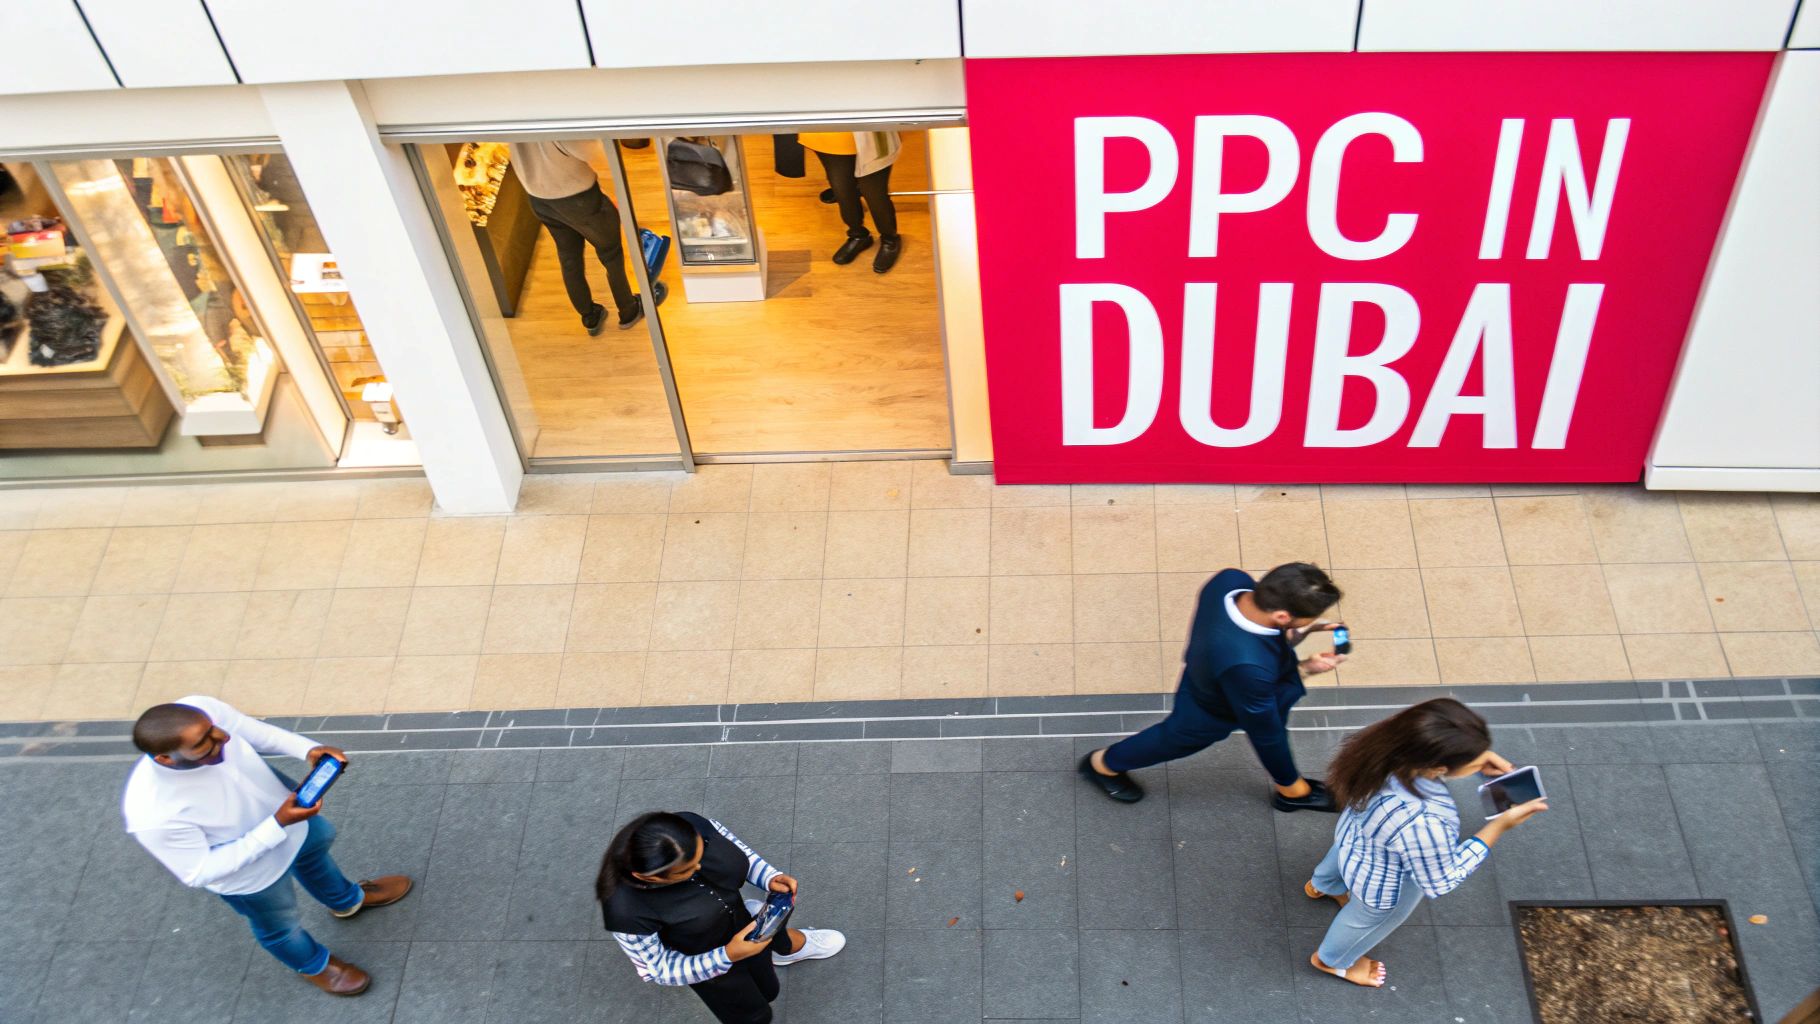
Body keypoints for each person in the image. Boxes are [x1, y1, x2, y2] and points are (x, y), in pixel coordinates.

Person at [121, 697, 412, 996]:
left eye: (214, 728)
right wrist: (276, 825)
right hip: (253, 875)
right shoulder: (152, 813)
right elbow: (198, 872)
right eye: (203, 743)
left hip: (289, 812)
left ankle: (346, 901)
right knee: (280, 926)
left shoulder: (197, 709)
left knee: (316, 855)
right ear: (165, 759)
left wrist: (306, 750)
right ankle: (314, 965)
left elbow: (250, 730)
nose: (222, 737)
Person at [1304, 698, 1547, 988]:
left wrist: (1474, 756)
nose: (1484, 760)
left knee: (1344, 854)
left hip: (1352, 835)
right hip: (1378, 880)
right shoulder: (1423, 822)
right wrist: (1498, 827)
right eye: (1475, 760)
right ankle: (1331, 960)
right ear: (1437, 766)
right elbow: (1441, 880)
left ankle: (1322, 885)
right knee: (1368, 916)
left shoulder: (1383, 748)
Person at [1080, 562, 1347, 810]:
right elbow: (1266, 733)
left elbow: (1252, 640)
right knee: (1175, 739)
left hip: (1204, 672)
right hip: (1214, 707)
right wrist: (1304, 670)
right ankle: (1102, 765)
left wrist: (1299, 631)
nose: (1310, 622)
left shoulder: (1230, 580)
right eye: (1307, 618)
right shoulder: (1249, 667)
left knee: (1176, 734)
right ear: (1281, 615)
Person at [599, 811, 845, 1024]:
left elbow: (739, 851)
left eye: (701, 855)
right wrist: (727, 955)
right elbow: (658, 969)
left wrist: (768, 876)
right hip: (707, 961)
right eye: (687, 871)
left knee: (769, 987)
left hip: (744, 921)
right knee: (749, 1012)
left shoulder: (691, 826)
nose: (699, 868)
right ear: (651, 878)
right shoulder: (626, 912)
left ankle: (785, 947)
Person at [506, 140, 655, 335]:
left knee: (569, 258)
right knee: (611, 254)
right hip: (579, 198)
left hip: (539, 199)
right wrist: (612, 190)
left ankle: (589, 315)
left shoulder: (515, 116)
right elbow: (598, 156)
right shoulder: (558, 122)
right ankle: (629, 309)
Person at [799, 131, 902, 274]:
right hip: (824, 136)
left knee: (875, 195)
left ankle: (890, 239)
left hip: (870, 133)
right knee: (842, 191)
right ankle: (858, 235)